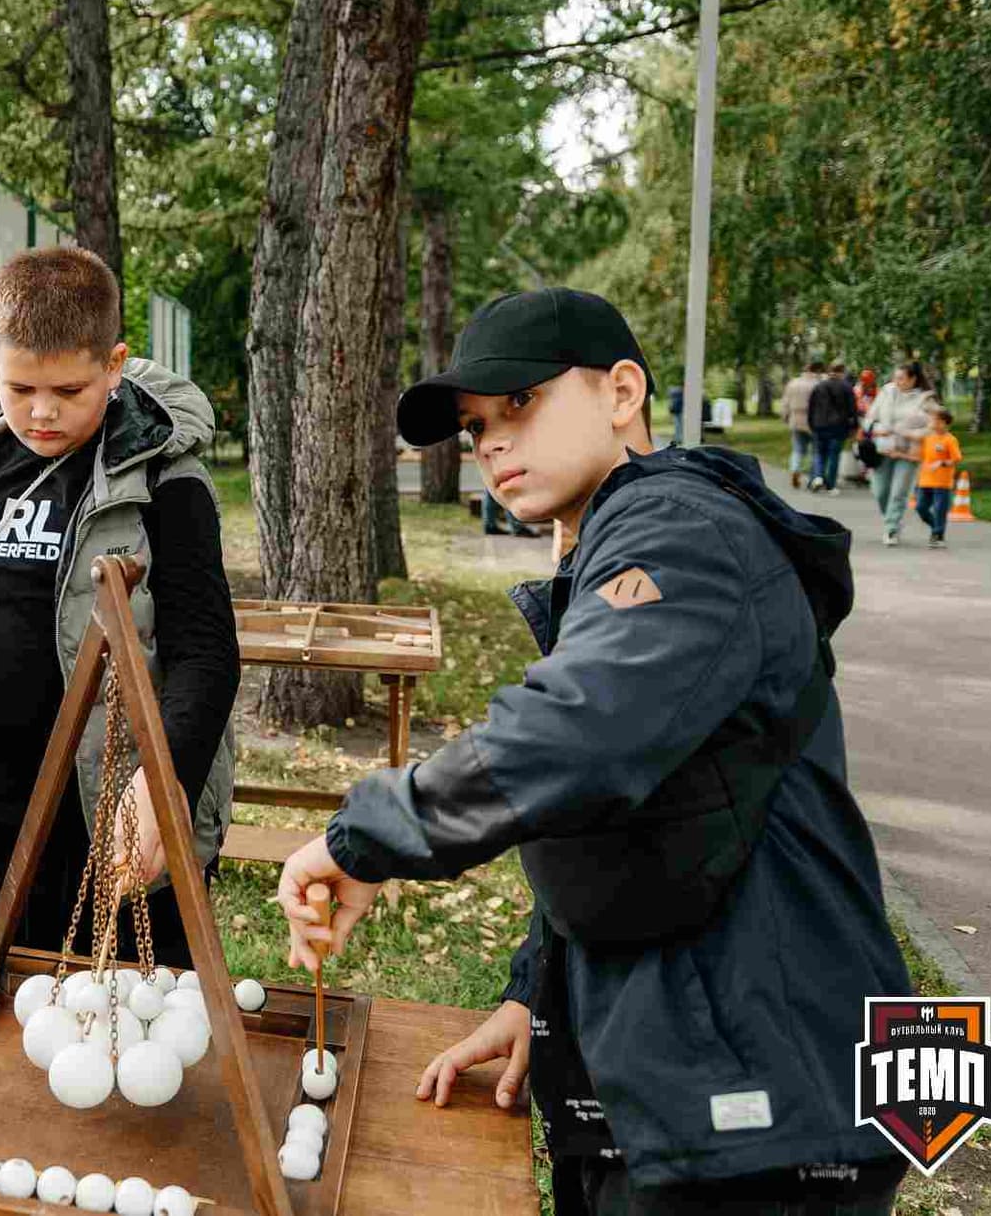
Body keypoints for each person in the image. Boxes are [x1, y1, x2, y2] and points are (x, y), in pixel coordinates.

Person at [275, 287, 911, 1216]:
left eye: (520, 404)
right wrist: (536, 997)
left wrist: (361, 838)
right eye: (474, 424)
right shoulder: (624, 542)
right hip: (688, 1073)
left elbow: (579, 734)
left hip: (769, 1104)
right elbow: (629, 813)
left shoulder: (684, 533)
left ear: (622, 393)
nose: (489, 441)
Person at [0, 246, 239, 971]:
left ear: (115, 362)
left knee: (125, 1036)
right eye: (20, 387)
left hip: (107, 818)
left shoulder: (166, 477)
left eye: (69, 390)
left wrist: (162, 790)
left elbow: (207, 653)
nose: (41, 412)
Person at [863, 361, 937, 546]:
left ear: (913, 379)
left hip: (908, 452)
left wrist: (909, 434)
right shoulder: (887, 392)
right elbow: (870, 418)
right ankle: (891, 518)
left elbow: (933, 428)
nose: (897, 382)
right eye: (895, 377)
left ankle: (891, 528)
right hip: (884, 449)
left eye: (902, 378)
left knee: (899, 492)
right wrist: (878, 429)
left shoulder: (925, 399)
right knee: (880, 492)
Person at [913, 407, 962, 550]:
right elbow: (922, 458)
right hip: (925, 481)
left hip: (942, 482)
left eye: (939, 421)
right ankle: (936, 527)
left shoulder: (950, 440)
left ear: (946, 424)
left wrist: (942, 462)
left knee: (940, 509)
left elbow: (956, 458)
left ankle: (938, 535)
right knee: (921, 508)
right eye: (934, 420)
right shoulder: (928, 438)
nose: (935, 424)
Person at [807, 361, 858, 493]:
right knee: (833, 455)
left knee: (819, 453)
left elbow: (811, 407)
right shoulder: (846, 387)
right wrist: (854, 426)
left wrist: (811, 423)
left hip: (819, 425)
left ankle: (817, 476)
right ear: (842, 372)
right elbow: (852, 409)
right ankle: (831, 485)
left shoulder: (819, 386)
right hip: (838, 426)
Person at [782, 360, 821, 489]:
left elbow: (785, 403)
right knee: (815, 451)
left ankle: (795, 469)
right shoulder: (818, 384)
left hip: (795, 418)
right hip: (813, 420)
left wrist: (785, 417)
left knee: (797, 449)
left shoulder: (793, 383)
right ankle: (813, 477)